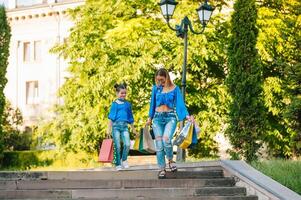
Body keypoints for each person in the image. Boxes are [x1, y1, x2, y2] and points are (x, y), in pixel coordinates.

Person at [147, 68, 194, 179]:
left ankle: (170, 159)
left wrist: (187, 116)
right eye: (158, 80)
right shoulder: (155, 89)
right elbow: (152, 104)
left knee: (166, 139)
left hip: (170, 118)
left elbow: (180, 104)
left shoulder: (175, 89)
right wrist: (150, 118)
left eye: (162, 80)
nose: (160, 83)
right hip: (157, 119)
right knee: (159, 145)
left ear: (167, 78)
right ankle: (161, 169)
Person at [107, 83, 137, 171]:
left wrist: (133, 129)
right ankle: (118, 164)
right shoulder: (115, 104)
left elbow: (130, 118)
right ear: (117, 94)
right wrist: (108, 129)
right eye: (121, 93)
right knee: (118, 146)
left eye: (125, 93)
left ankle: (124, 160)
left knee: (127, 144)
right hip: (115, 127)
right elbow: (111, 117)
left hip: (124, 127)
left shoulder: (127, 104)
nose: (123, 95)